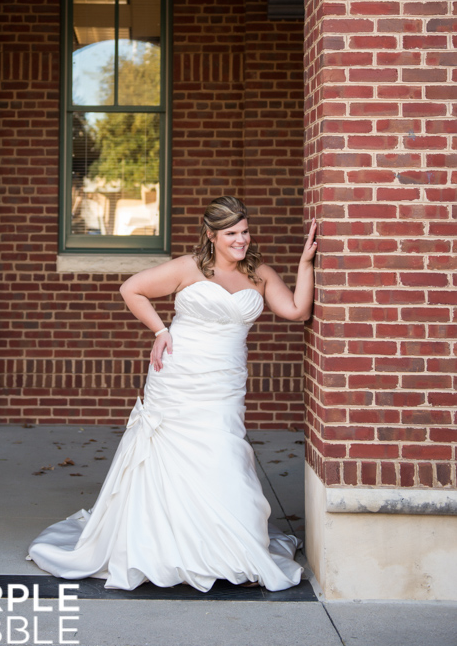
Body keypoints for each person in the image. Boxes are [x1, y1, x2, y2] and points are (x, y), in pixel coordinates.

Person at [27, 195, 317, 591]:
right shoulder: (189, 267)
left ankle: (229, 548)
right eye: (232, 233)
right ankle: (166, 548)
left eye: (245, 231)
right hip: (178, 376)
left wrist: (305, 265)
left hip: (224, 383)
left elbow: (298, 310)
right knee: (171, 458)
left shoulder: (260, 273)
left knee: (224, 454)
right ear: (212, 235)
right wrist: (161, 331)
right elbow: (132, 289)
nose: (241, 240)